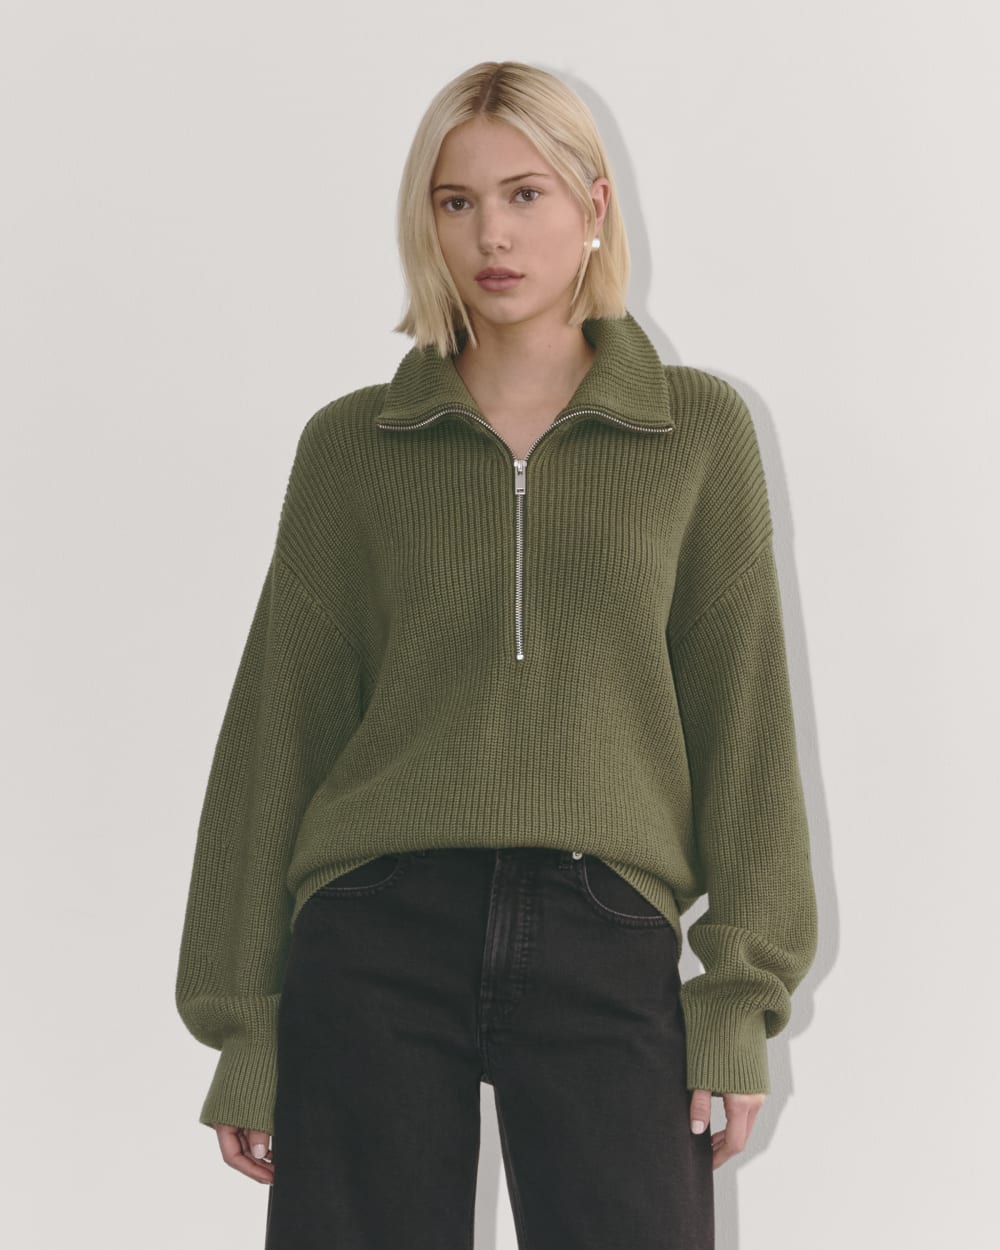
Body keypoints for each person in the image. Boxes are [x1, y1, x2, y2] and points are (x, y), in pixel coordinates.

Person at [175, 59, 818, 1250]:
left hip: (603, 925)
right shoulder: (353, 446)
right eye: (456, 201)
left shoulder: (696, 431)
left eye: (525, 194)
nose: (492, 235)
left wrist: (738, 1000)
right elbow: (276, 734)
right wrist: (245, 1024)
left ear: (594, 205)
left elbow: (745, 725)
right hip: (375, 925)